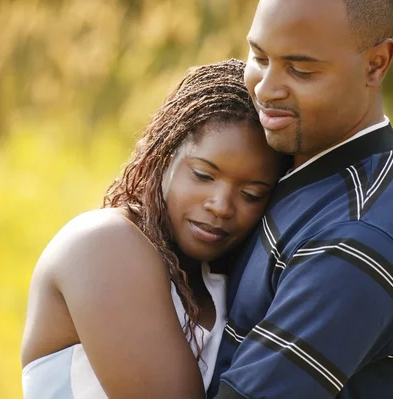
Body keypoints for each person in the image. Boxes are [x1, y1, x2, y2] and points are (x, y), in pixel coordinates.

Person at [208, 1, 393, 398]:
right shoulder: (285, 159)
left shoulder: (356, 240)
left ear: (376, 64)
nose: (266, 89)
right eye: (259, 57)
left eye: (301, 70)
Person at [20, 59, 283, 398]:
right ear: (161, 157)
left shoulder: (216, 278)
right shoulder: (104, 245)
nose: (221, 205)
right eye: (203, 175)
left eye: (251, 194)